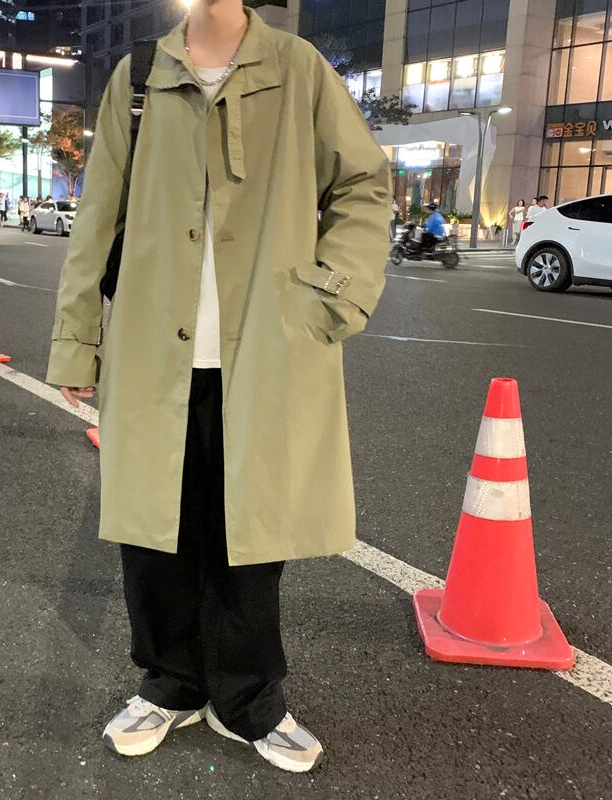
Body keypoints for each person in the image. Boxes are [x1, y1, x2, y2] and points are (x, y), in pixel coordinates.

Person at [47, 0, 390, 775]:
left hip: (267, 348)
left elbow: (363, 184)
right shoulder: (139, 76)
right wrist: (76, 339)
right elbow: (97, 214)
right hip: (151, 348)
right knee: (154, 534)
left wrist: (332, 293)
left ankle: (249, 698)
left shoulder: (298, 70)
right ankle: (168, 683)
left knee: (250, 536)